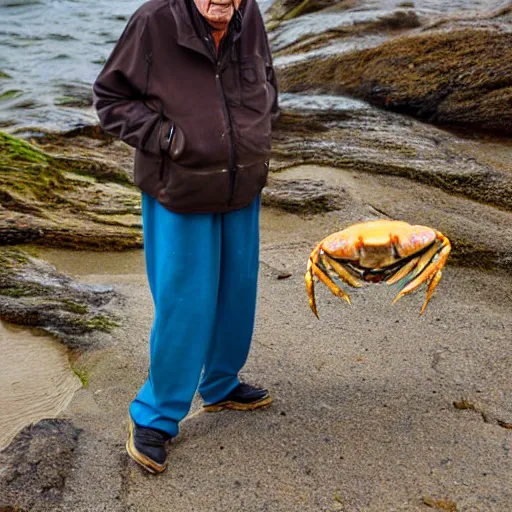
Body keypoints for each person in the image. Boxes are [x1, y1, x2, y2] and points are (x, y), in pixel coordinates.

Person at [93, 0, 279, 474]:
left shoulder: (248, 14)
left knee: (237, 293)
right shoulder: (154, 20)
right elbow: (111, 100)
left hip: (242, 183)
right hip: (179, 188)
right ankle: (153, 416)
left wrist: (259, 127)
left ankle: (219, 384)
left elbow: (267, 80)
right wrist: (170, 138)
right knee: (185, 303)